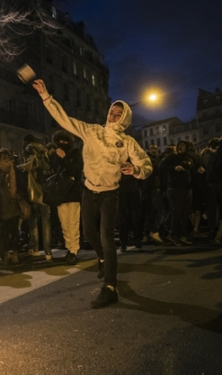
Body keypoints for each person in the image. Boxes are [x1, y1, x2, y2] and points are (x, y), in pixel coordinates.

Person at [32, 79, 152, 309]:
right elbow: (65, 119)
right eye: (111, 112)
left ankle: (110, 287)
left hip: (110, 194)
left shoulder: (127, 142)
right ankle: (103, 259)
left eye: (118, 114)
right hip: (89, 190)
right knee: (88, 231)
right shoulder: (92, 132)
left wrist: (135, 170)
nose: (113, 116)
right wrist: (46, 96)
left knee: (106, 237)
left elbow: (146, 166)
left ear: (125, 119)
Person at [49, 130, 83, 264]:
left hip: (73, 193)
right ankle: (69, 248)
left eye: (65, 141)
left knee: (73, 223)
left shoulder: (74, 153)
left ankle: (74, 250)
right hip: (61, 193)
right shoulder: (55, 155)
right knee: (64, 224)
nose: (62, 143)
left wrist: (65, 158)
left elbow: (76, 169)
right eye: (60, 141)